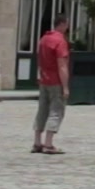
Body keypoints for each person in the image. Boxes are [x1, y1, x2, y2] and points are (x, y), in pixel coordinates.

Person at [32, 14, 70, 155]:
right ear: (62, 24)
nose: (67, 28)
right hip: (55, 80)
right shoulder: (59, 41)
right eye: (66, 25)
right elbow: (62, 65)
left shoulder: (44, 39)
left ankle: (37, 141)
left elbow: (39, 60)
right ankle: (48, 143)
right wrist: (65, 87)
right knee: (56, 110)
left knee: (42, 109)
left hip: (44, 79)